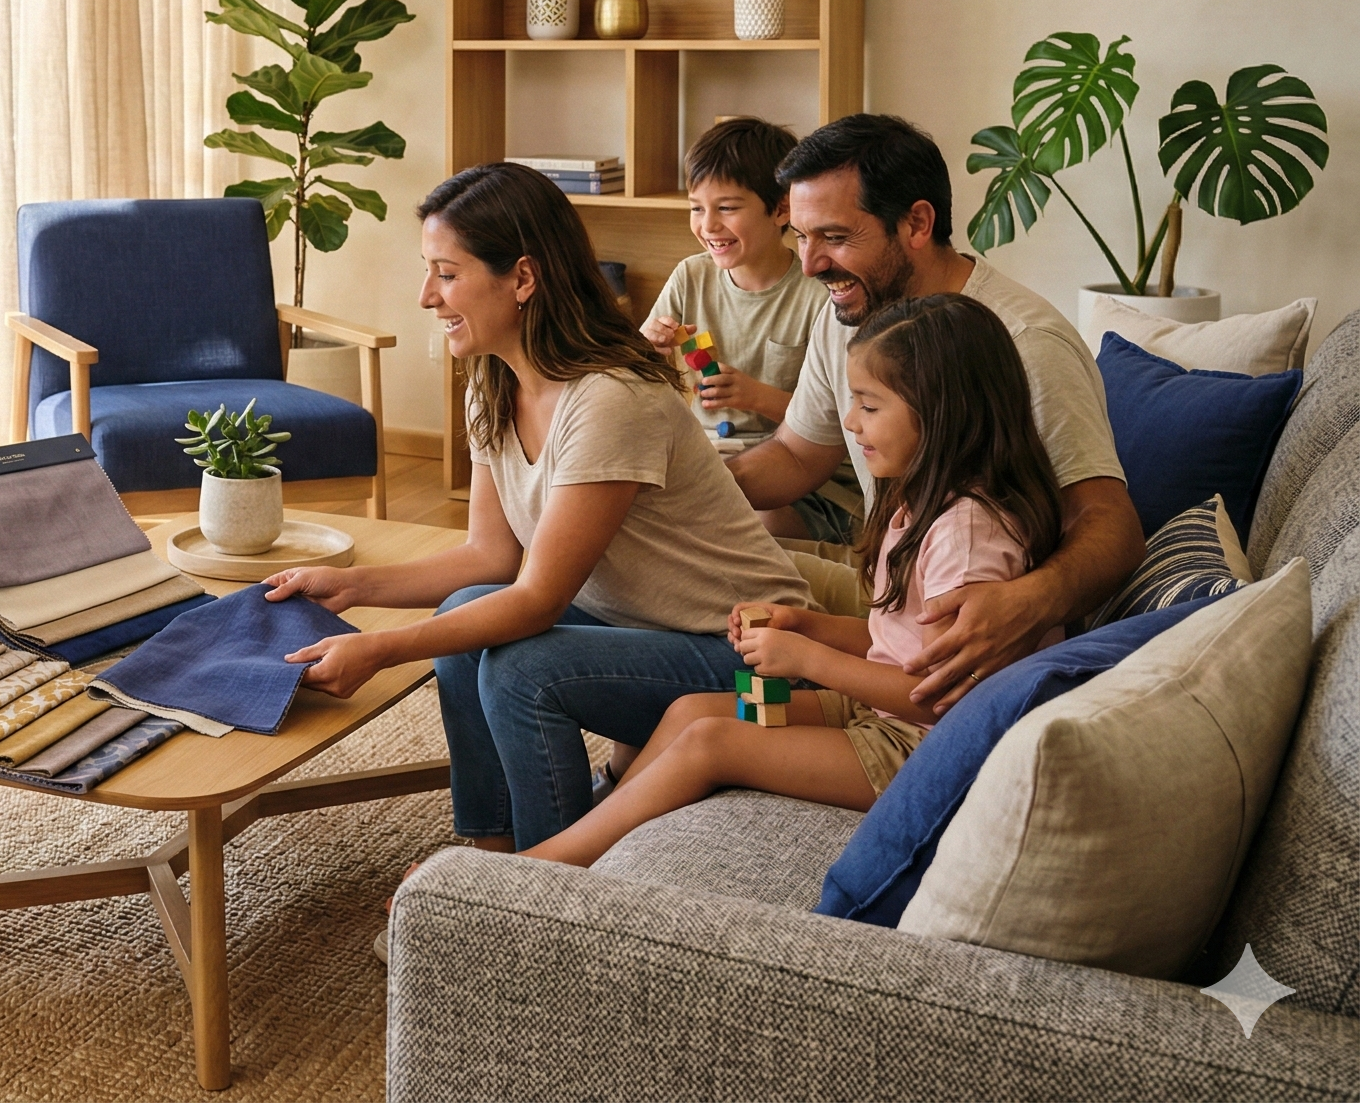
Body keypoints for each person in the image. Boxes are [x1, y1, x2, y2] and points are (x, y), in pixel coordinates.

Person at [264, 162, 810, 852]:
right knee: (465, 614)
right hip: (649, 632)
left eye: (447, 272)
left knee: (523, 667)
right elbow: (491, 558)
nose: (426, 295)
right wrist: (352, 586)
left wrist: (380, 649)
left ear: (522, 278)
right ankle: (490, 848)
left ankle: (540, 880)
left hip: (760, 665)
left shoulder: (611, 399)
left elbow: (538, 601)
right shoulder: (493, 380)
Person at [519, 291, 1064, 867]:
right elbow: (902, 647)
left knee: (711, 743)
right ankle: (600, 842)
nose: (851, 423)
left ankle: (551, 861)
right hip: (880, 716)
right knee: (690, 713)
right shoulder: (923, 506)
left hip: (920, 750)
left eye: (869, 406)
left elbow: (940, 697)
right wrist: (809, 624)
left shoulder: (968, 536)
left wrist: (807, 659)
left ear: (945, 411)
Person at [728, 113, 1144, 719]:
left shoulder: (1024, 344)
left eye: (836, 237)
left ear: (917, 223)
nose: (811, 264)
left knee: (710, 598)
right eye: (801, 238)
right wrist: (691, 488)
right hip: (891, 577)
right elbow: (796, 456)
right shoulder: (849, 310)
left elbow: (1111, 523)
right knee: (695, 564)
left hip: (946, 598)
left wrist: (1029, 602)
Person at [637, 117, 845, 541]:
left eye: (727, 208)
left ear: (781, 209)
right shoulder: (690, 277)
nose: (707, 225)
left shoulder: (818, 295)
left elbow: (839, 422)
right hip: (708, 461)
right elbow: (633, 380)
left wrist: (757, 397)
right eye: (697, 208)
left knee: (756, 524)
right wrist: (648, 352)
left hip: (801, 481)